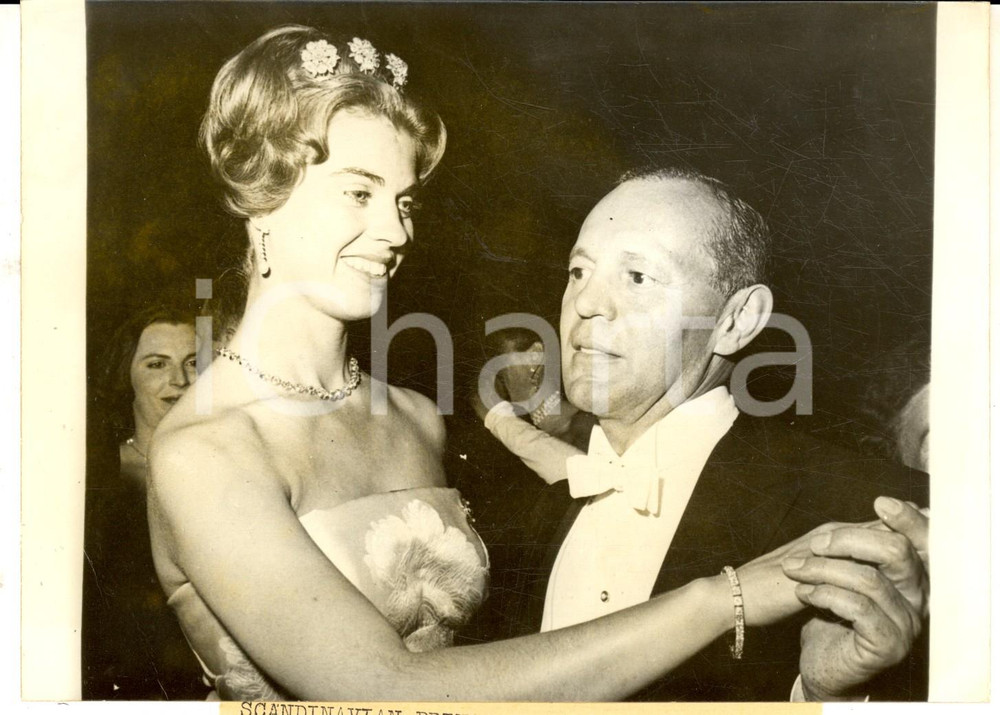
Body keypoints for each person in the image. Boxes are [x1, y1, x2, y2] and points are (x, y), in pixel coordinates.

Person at [144, 26, 915, 702]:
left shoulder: (417, 420)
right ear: (259, 195)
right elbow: (383, 688)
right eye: (359, 192)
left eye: (406, 201)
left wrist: (815, 691)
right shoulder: (202, 450)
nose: (395, 231)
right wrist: (733, 594)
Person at [490, 167, 930, 701]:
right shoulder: (508, 512)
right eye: (579, 271)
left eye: (636, 277)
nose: (585, 304)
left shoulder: (872, 513)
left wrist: (821, 697)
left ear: (737, 320)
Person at [83, 305, 208, 699]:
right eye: (156, 364)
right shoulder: (101, 476)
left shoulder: (237, 469)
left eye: (194, 362)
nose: (180, 380)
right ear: (127, 376)